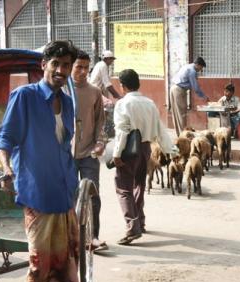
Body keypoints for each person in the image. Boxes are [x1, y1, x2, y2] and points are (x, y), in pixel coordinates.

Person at [0, 40, 82, 282]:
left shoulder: (66, 102)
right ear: (44, 65)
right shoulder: (25, 96)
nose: (61, 70)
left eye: (66, 65)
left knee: (66, 263)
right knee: (39, 265)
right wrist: (7, 169)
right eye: (55, 64)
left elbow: (65, 146)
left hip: (65, 193)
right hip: (37, 194)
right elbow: (5, 137)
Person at [112, 69, 175, 245]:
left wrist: (117, 154)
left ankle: (132, 227)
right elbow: (160, 129)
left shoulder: (123, 104)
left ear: (122, 86)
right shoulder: (150, 103)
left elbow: (122, 131)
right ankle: (140, 222)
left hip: (128, 150)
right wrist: (170, 149)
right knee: (138, 185)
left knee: (123, 188)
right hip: (146, 148)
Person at [71, 50, 107, 251]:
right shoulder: (63, 90)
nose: (83, 71)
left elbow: (101, 123)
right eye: (79, 67)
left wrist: (100, 143)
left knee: (93, 195)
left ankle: (93, 237)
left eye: (86, 67)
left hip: (89, 154)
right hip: (65, 155)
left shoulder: (94, 92)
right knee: (67, 196)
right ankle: (70, 237)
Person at [170, 56, 209, 136]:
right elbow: (195, 87)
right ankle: (183, 136)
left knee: (176, 114)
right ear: (197, 64)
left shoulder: (188, 66)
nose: (200, 70)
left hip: (173, 88)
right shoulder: (192, 71)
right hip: (179, 91)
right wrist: (204, 97)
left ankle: (179, 134)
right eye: (201, 68)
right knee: (182, 114)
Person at [89, 50, 121, 138]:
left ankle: (100, 128)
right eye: (111, 59)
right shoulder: (103, 65)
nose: (112, 61)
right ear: (107, 59)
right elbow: (107, 84)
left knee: (102, 108)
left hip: (97, 90)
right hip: (94, 90)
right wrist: (117, 95)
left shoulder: (102, 65)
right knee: (109, 105)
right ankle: (103, 128)